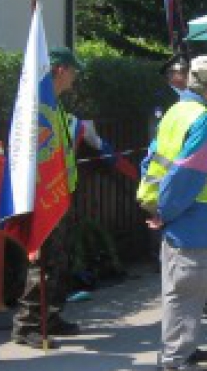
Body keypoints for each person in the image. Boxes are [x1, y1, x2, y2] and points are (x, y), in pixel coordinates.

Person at [11, 46, 128, 348]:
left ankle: (50, 316)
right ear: (60, 70)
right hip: (43, 197)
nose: (75, 78)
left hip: (58, 194)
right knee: (42, 262)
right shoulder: (41, 107)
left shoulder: (55, 107)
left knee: (57, 260)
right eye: (73, 71)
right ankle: (27, 325)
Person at [138, 55, 207, 371]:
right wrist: (166, 210)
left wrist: (159, 206)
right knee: (188, 286)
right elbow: (188, 174)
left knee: (179, 285)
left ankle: (182, 347)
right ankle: (177, 355)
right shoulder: (203, 119)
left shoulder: (176, 112)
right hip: (191, 215)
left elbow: (152, 159)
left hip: (179, 212)